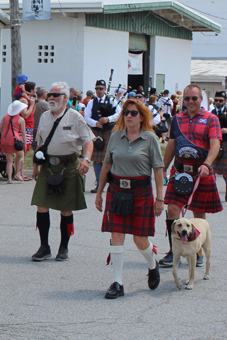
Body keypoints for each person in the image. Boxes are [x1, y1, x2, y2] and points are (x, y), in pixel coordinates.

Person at [95, 99, 164, 299]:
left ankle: (152, 264)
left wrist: (160, 198)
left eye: (133, 113)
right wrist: (100, 193)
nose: (129, 116)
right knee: (116, 235)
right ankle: (118, 282)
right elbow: (106, 166)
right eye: (126, 112)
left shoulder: (150, 138)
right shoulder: (115, 137)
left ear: (142, 117)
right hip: (117, 191)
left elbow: (158, 170)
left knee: (140, 240)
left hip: (141, 192)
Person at [159, 84, 223, 268]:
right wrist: (164, 167)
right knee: (172, 210)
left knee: (198, 215)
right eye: (187, 99)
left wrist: (207, 164)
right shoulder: (178, 119)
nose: (190, 102)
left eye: (194, 98)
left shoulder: (211, 119)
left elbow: (215, 145)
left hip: (201, 171)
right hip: (180, 171)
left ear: (201, 99)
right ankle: (174, 251)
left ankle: (197, 251)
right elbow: (171, 145)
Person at [31, 82, 94, 261]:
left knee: (66, 209)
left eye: (55, 95)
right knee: (41, 205)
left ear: (65, 98)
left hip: (69, 166)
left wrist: (86, 159)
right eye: (49, 95)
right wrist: (36, 165)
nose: (51, 98)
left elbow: (88, 141)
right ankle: (44, 247)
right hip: (48, 166)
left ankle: (64, 247)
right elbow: (41, 143)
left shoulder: (75, 117)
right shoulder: (44, 116)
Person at [85, 79, 122, 193]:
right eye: (96, 88)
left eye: (101, 88)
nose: (98, 91)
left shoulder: (112, 100)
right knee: (96, 160)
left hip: (109, 131)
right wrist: (95, 123)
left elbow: (120, 113)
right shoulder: (92, 102)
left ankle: (111, 184)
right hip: (97, 133)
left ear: (105, 89)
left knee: (110, 159)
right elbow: (87, 117)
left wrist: (108, 119)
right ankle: (99, 183)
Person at [0, 101, 27, 183]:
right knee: (21, 155)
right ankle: (18, 173)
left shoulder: (5, 117)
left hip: (4, 139)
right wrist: (25, 143)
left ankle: (9, 179)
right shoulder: (21, 119)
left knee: (9, 160)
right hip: (15, 139)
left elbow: (1, 128)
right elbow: (23, 133)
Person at [211, 91, 227, 200]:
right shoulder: (212, 112)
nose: (218, 102)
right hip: (214, 143)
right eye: (216, 100)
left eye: (220, 100)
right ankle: (212, 193)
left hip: (226, 143)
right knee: (211, 170)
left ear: (225, 101)